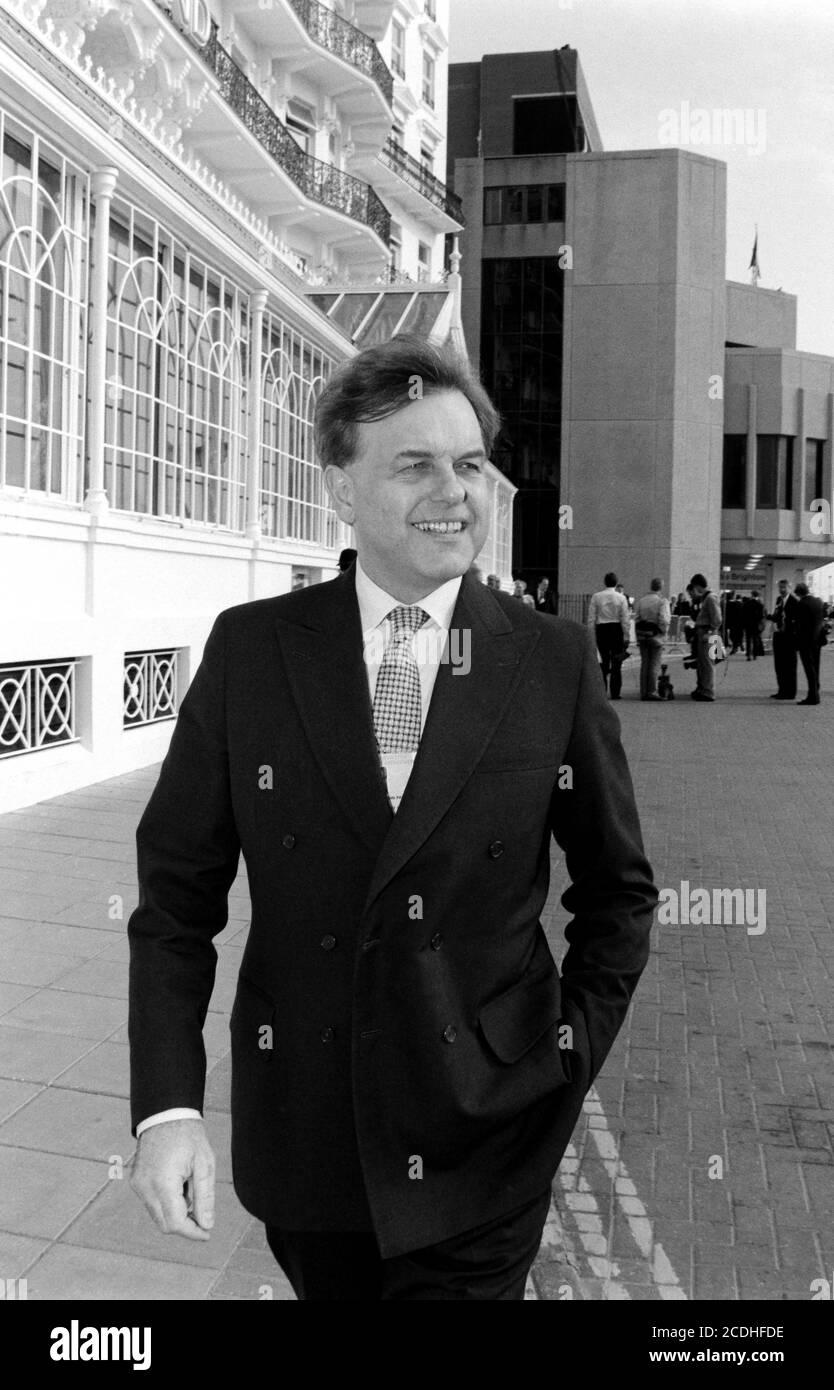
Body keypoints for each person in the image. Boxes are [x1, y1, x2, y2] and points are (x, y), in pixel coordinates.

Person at [128, 335, 657, 1302]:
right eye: (414, 465)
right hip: (308, 1143)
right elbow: (175, 901)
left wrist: (560, 1063)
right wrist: (167, 1106)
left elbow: (619, 893)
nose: (453, 491)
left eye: (470, 464)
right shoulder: (253, 652)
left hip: (487, 1145)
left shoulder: (551, 662)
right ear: (340, 488)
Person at [587, 572, 630, 700]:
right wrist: (626, 635)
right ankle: (615, 692)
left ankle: (602, 691)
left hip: (602, 629)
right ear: (616, 583)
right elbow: (625, 619)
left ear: (604, 582)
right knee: (617, 662)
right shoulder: (621, 598)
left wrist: (591, 633)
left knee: (602, 662)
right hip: (616, 629)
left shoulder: (596, 597)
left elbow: (591, 618)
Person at [634, 579, 671, 701]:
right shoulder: (662, 601)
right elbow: (664, 620)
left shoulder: (642, 601)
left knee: (645, 663)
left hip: (643, 635)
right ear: (661, 587)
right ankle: (652, 691)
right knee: (654, 663)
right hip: (655, 636)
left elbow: (637, 618)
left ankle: (643, 691)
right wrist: (662, 632)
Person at [790, 582, 825, 705]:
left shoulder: (802, 604)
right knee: (816, 667)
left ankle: (813, 696)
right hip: (818, 640)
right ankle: (816, 691)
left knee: (809, 669)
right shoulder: (818, 602)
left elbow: (799, 625)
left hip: (806, 641)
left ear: (798, 593)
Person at [688, 572, 722, 702]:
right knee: (703, 663)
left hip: (707, 634)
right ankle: (704, 688)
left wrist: (710, 631)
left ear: (697, 586)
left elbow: (717, 618)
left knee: (707, 664)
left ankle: (708, 691)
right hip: (704, 633)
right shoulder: (706, 598)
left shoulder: (710, 598)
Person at [765, 579, 799, 700]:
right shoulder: (779, 600)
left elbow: (796, 622)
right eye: (780, 587)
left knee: (789, 666)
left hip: (789, 638)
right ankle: (782, 690)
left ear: (790, 588)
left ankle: (790, 692)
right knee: (779, 665)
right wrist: (769, 616)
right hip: (779, 636)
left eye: (784, 588)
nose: (782, 590)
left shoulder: (794, 602)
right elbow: (777, 616)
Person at [742, 590, 764, 660]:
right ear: (757, 596)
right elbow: (761, 616)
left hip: (748, 624)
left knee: (748, 640)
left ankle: (748, 655)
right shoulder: (760, 604)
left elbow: (743, 615)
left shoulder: (746, 604)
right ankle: (755, 655)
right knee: (755, 640)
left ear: (751, 595)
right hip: (756, 624)